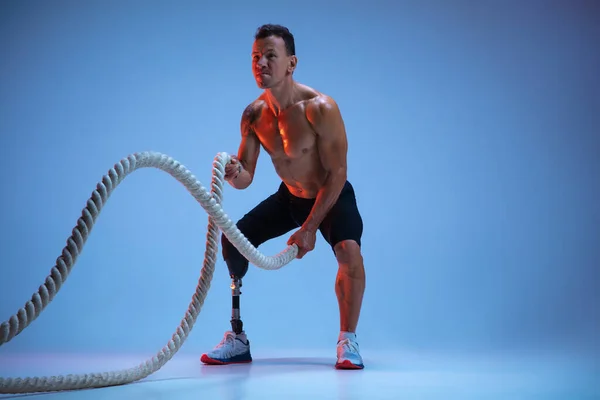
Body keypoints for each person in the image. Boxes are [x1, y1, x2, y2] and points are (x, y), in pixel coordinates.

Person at [200, 24, 366, 370]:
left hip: (330, 195)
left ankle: (347, 340)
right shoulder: (254, 115)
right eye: (255, 57)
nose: (261, 64)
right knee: (232, 241)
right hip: (288, 196)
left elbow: (337, 173)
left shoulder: (320, 108)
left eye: (270, 57)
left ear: (291, 63)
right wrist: (233, 172)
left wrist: (309, 228)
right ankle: (237, 337)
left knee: (348, 250)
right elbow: (246, 177)